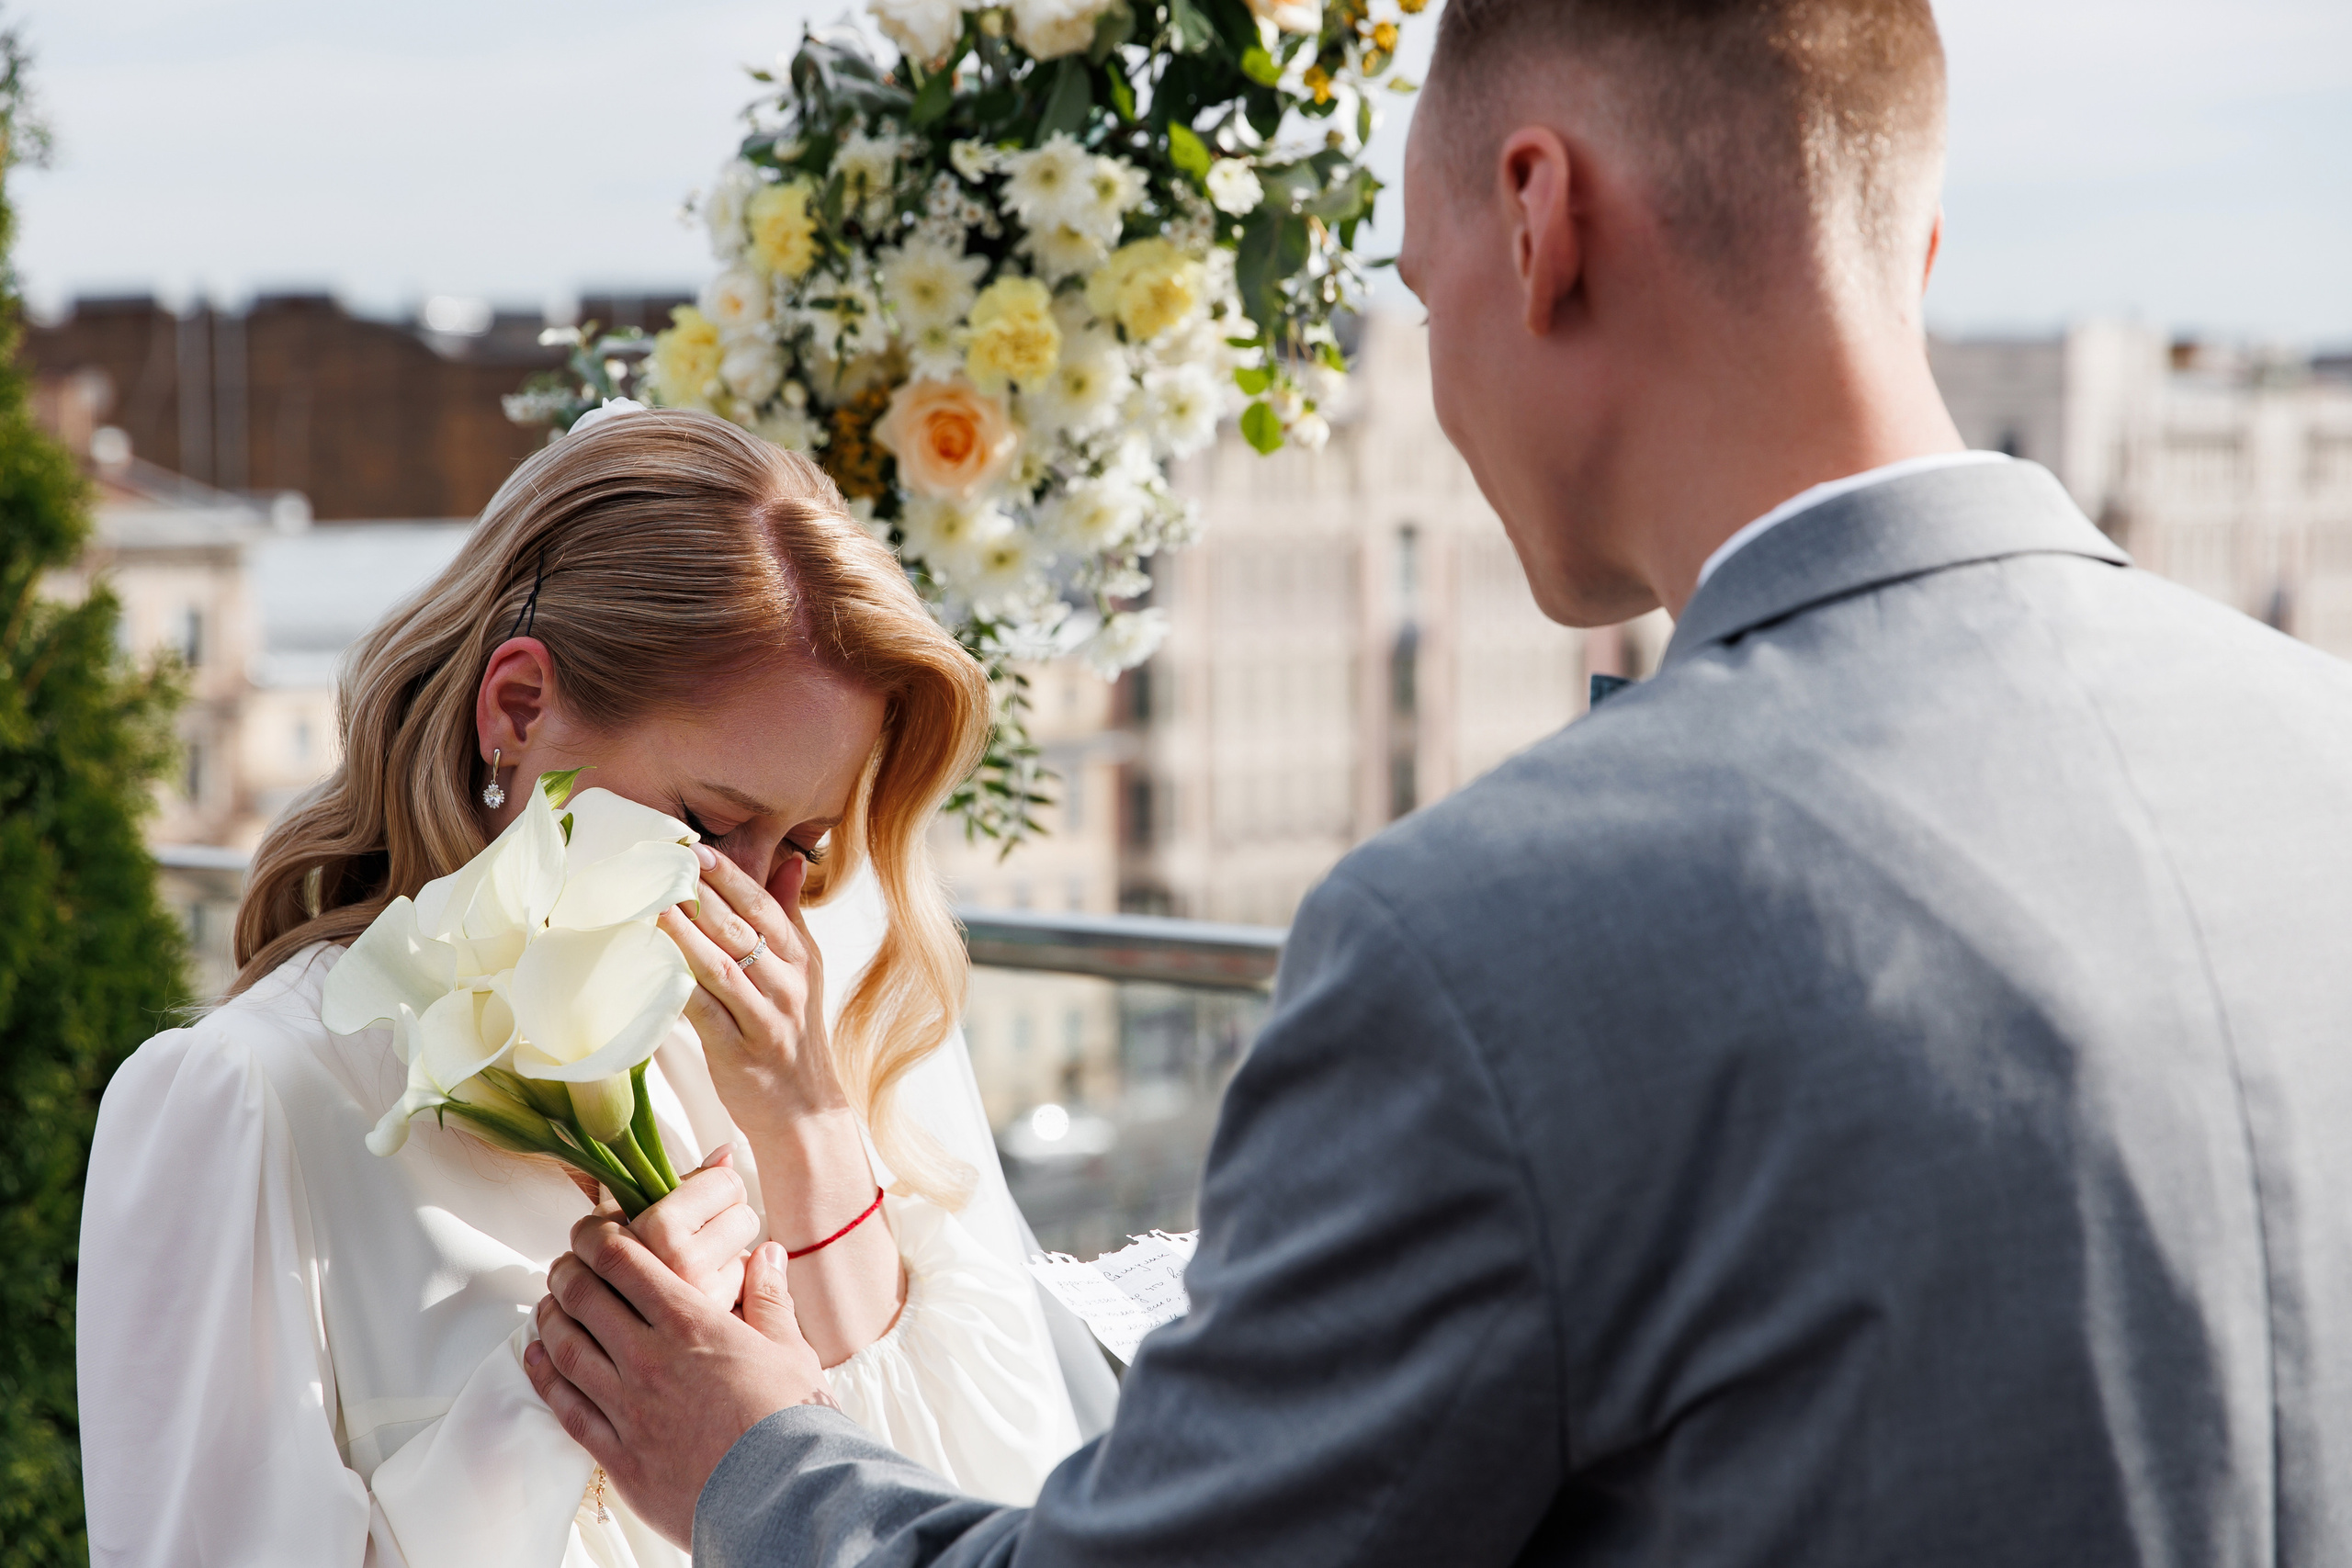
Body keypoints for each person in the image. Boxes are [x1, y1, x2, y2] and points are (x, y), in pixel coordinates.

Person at [526, 0, 2352, 1563]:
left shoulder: (1492, 935)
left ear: (1537, 216)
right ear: (1913, 254)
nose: (1439, 374)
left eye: (1415, 285)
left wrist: (744, 1457)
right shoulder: (2315, 749)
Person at [76, 409, 1113, 1568]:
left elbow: (973, 1501)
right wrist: (556, 1405)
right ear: (519, 711)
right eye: (710, 823)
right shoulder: (243, 1101)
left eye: (803, 847)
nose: (760, 904)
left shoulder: (760, 1068)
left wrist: (811, 1132)